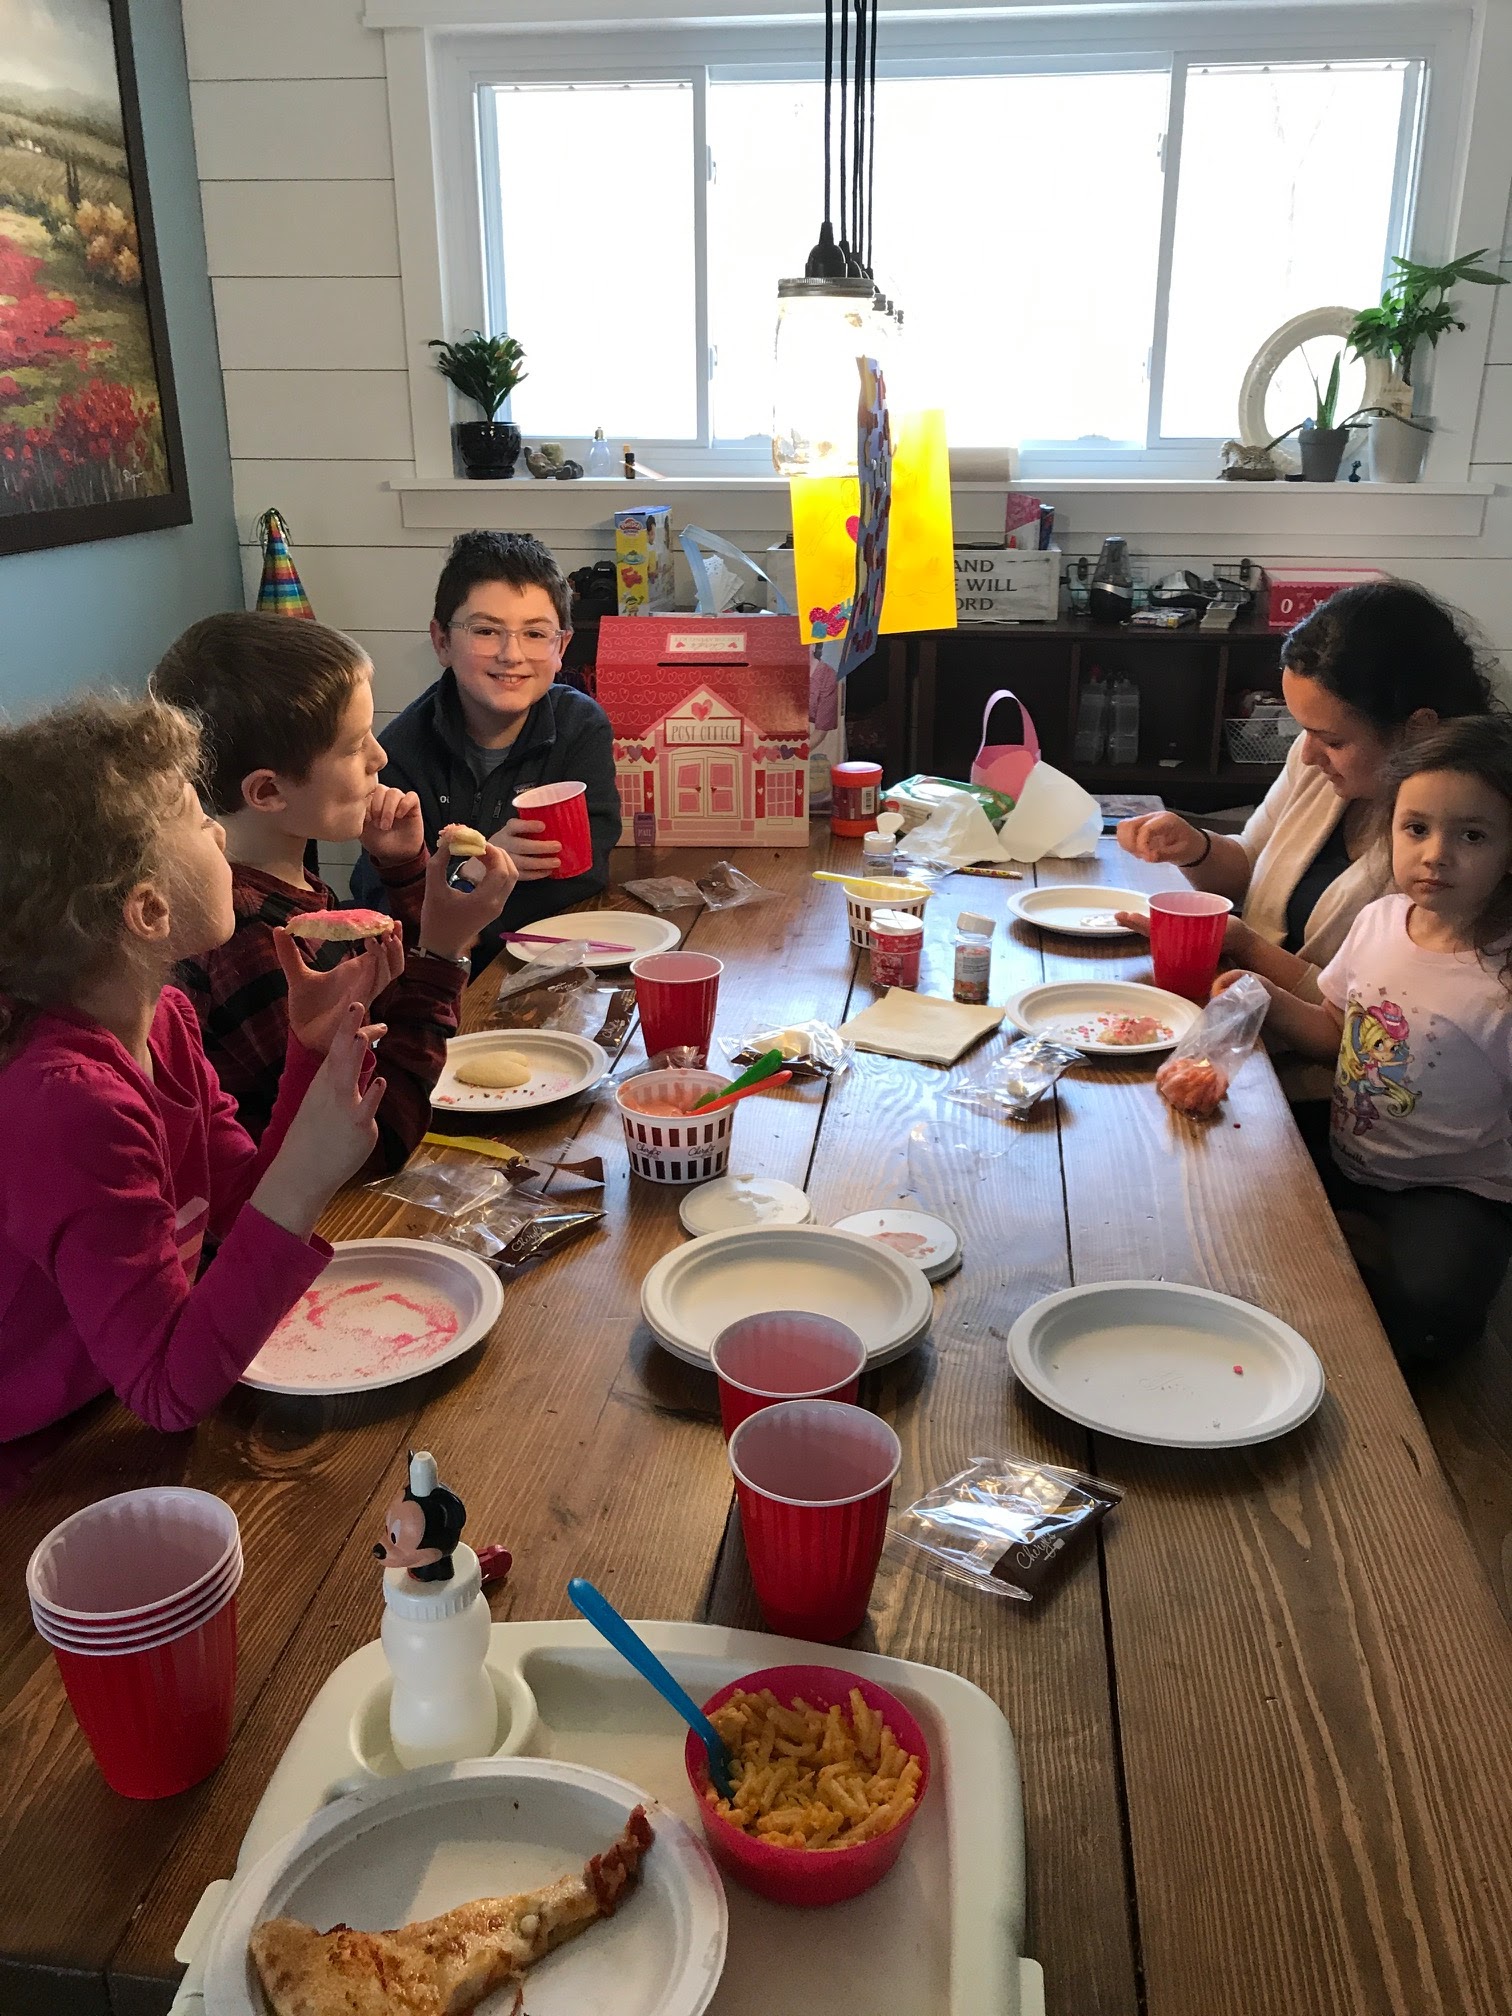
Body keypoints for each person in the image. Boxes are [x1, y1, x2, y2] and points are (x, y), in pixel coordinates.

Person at [0, 697, 386, 1441]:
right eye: (195, 817)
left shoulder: (168, 1023)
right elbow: (166, 1393)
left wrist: (310, 1052)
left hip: (106, 1401)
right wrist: (308, 1174)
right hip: (37, 1461)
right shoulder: (66, 1104)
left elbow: (244, 1204)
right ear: (147, 911)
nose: (219, 831)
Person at [152, 613, 515, 1171]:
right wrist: (444, 956)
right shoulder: (249, 938)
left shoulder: (284, 887)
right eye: (352, 746)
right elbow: (370, 1142)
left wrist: (405, 873)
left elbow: (383, 1021)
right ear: (267, 791)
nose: (380, 757)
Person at [1216, 714, 1512, 1369]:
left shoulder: (1500, 981)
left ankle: (1367, 1257)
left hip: (1452, 1187)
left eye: (1472, 835)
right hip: (1348, 1150)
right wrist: (1263, 997)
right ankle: (1352, 1244)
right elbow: (1334, 1032)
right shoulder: (1378, 921)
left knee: (1435, 1313)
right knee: (1225, 1191)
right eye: (1416, 828)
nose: (1436, 854)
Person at [1116, 582, 1496, 1000]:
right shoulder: (1321, 762)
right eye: (1305, 730)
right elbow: (1251, 865)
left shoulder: (1452, 842)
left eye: (1333, 740)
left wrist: (1248, 946)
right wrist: (1195, 848)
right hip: (1248, 1001)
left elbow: (1377, 1012)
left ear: (1419, 729)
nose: (1309, 754)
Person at [350, 531, 622, 967]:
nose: (511, 654)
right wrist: (472, 872)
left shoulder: (580, 726)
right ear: (442, 642)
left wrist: (474, 923)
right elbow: (381, 901)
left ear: (561, 648)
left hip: (556, 954)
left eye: (535, 633)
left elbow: (585, 871)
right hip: (440, 973)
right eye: (485, 630)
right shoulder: (399, 752)